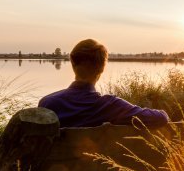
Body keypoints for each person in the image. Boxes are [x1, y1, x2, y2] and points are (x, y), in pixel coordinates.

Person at [38, 39, 169, 128]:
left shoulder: (47, 103)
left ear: (72, 62)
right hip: (97, 168)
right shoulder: (109, 106)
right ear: (102, 68)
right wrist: (164, 112)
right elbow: (161, 118)